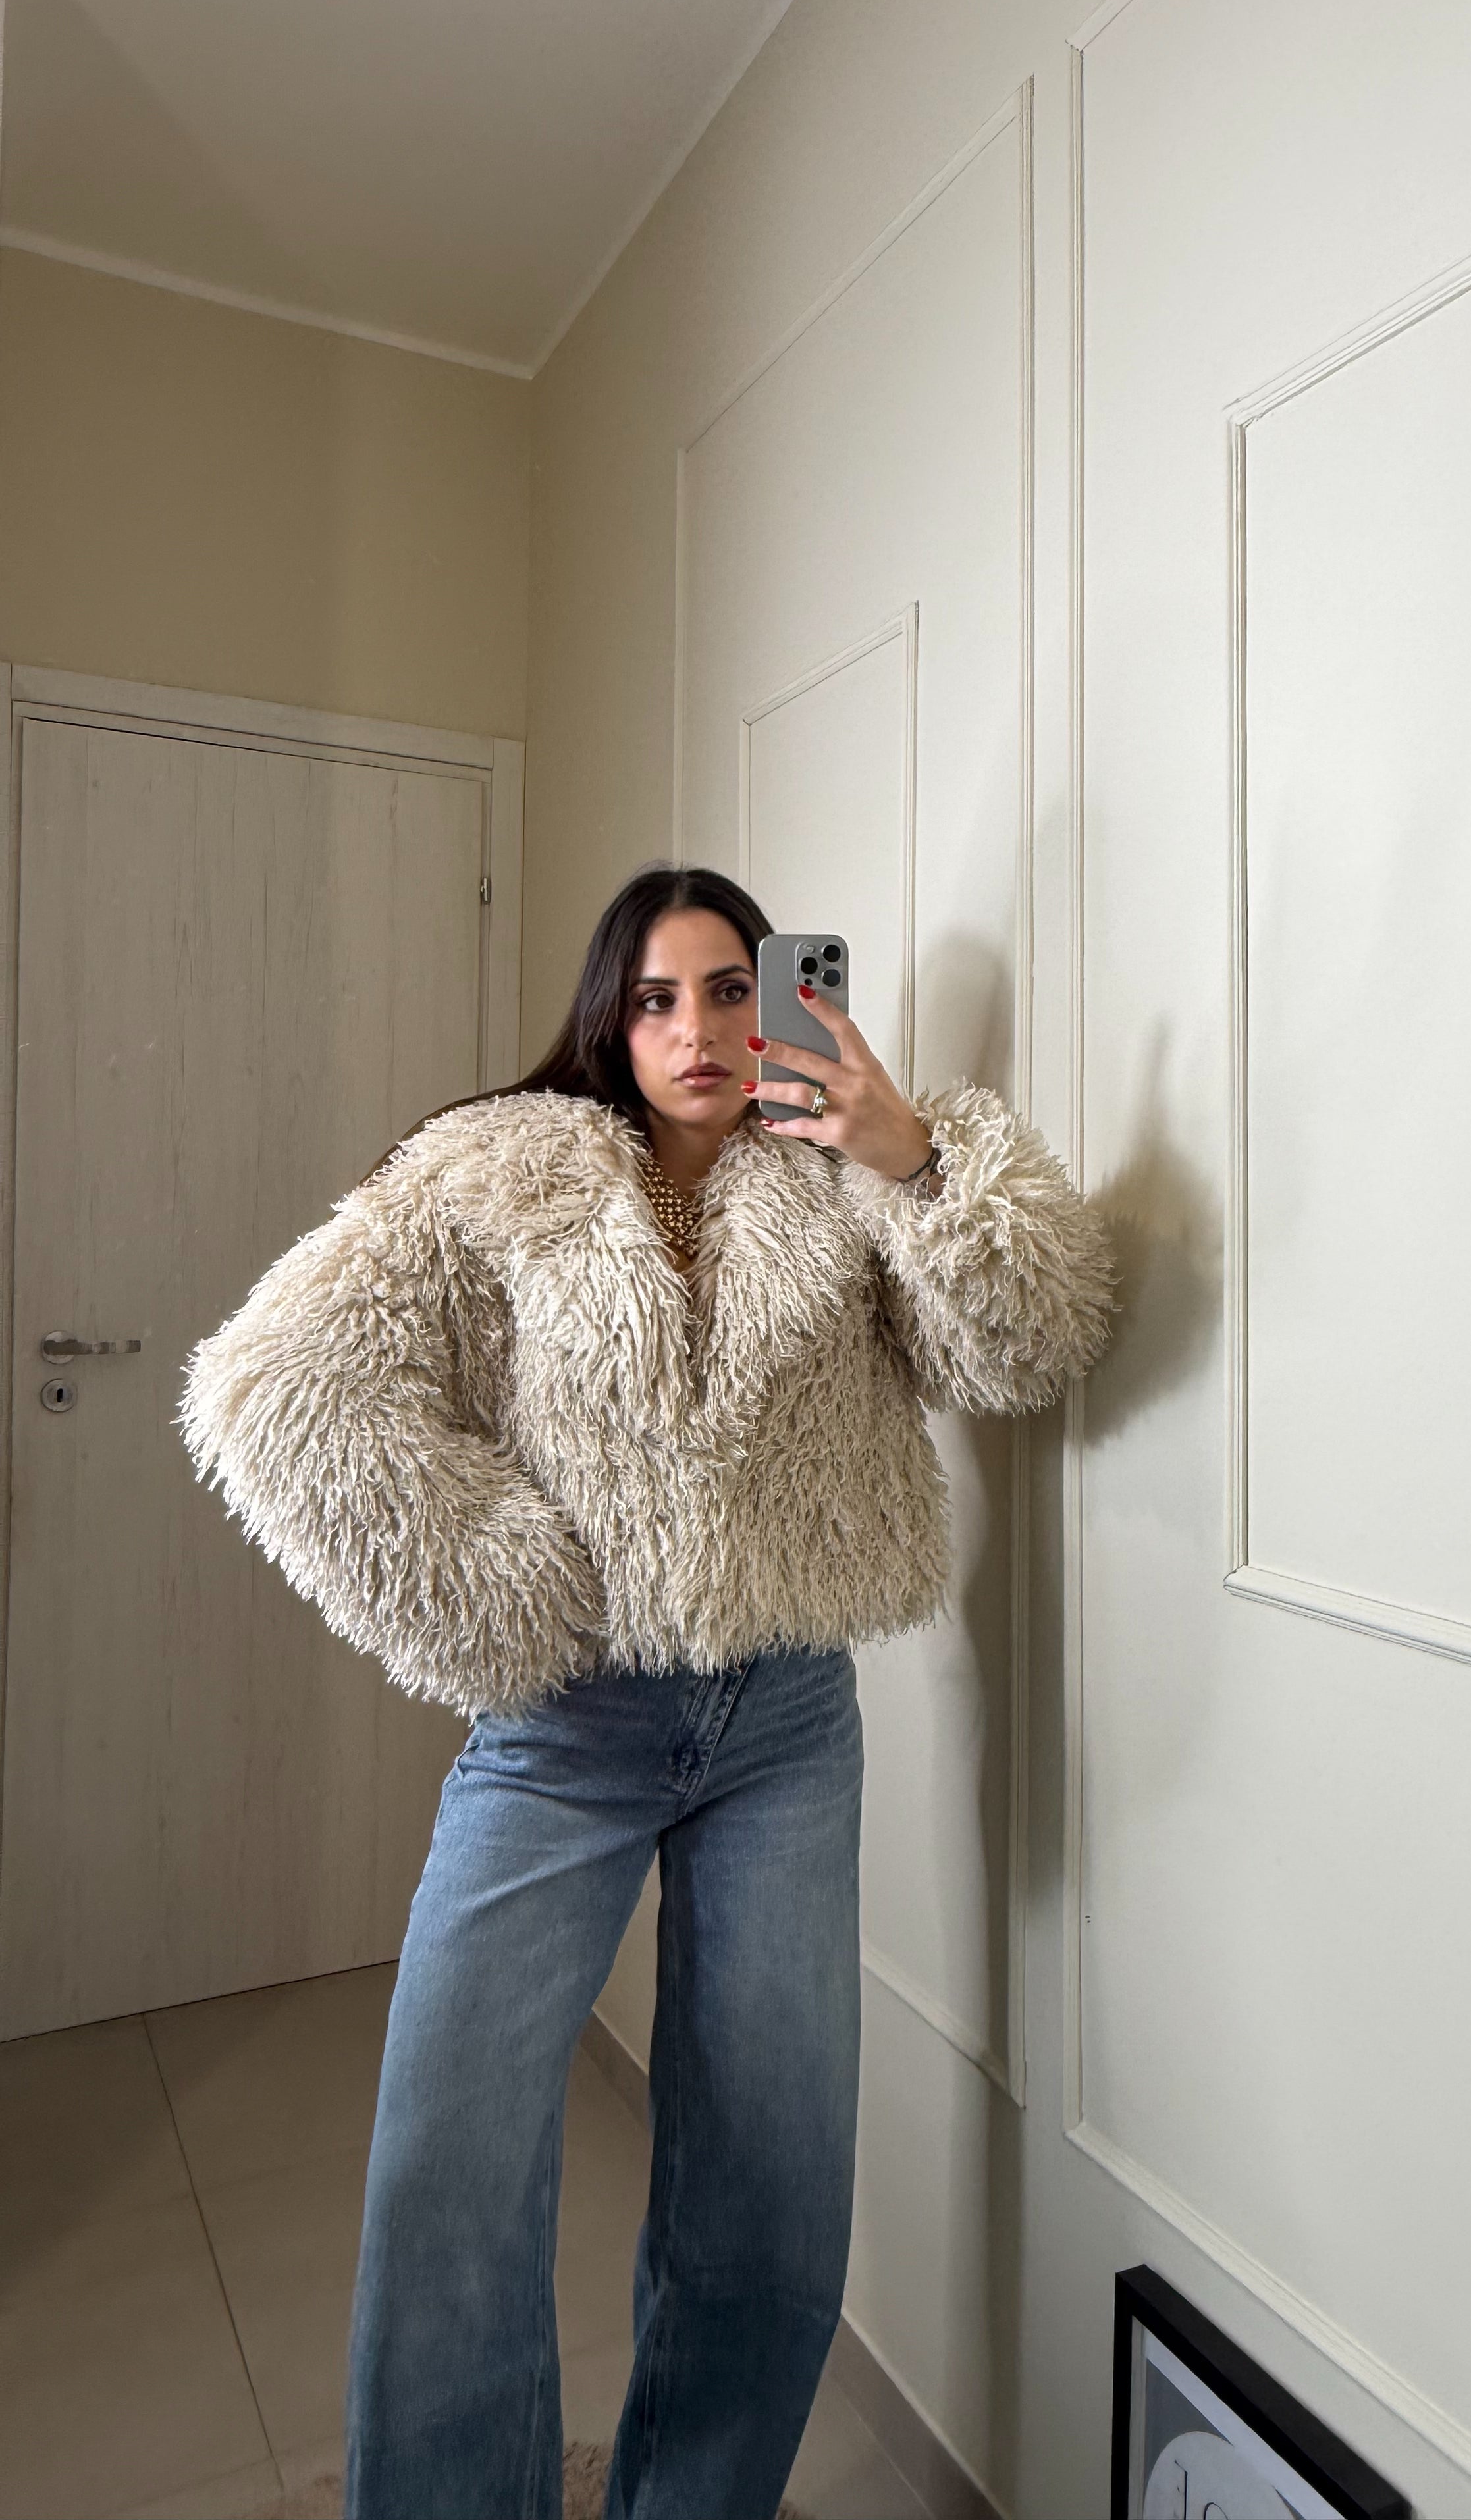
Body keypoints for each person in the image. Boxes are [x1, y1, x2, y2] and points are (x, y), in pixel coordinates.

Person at [179, 862, 1114, 2520]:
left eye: (731, 990)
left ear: (784, 1001)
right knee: (451, 2155)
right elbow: (274, 1387)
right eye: (657, 999)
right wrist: (502, 1588)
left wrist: (907, 1153)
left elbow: (1031, 1349)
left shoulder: (846, 1173)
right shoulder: (499, 1170)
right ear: (612, 1023)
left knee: (770, 2173)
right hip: (564, 1728)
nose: (696, 1031)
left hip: (787, 1726)